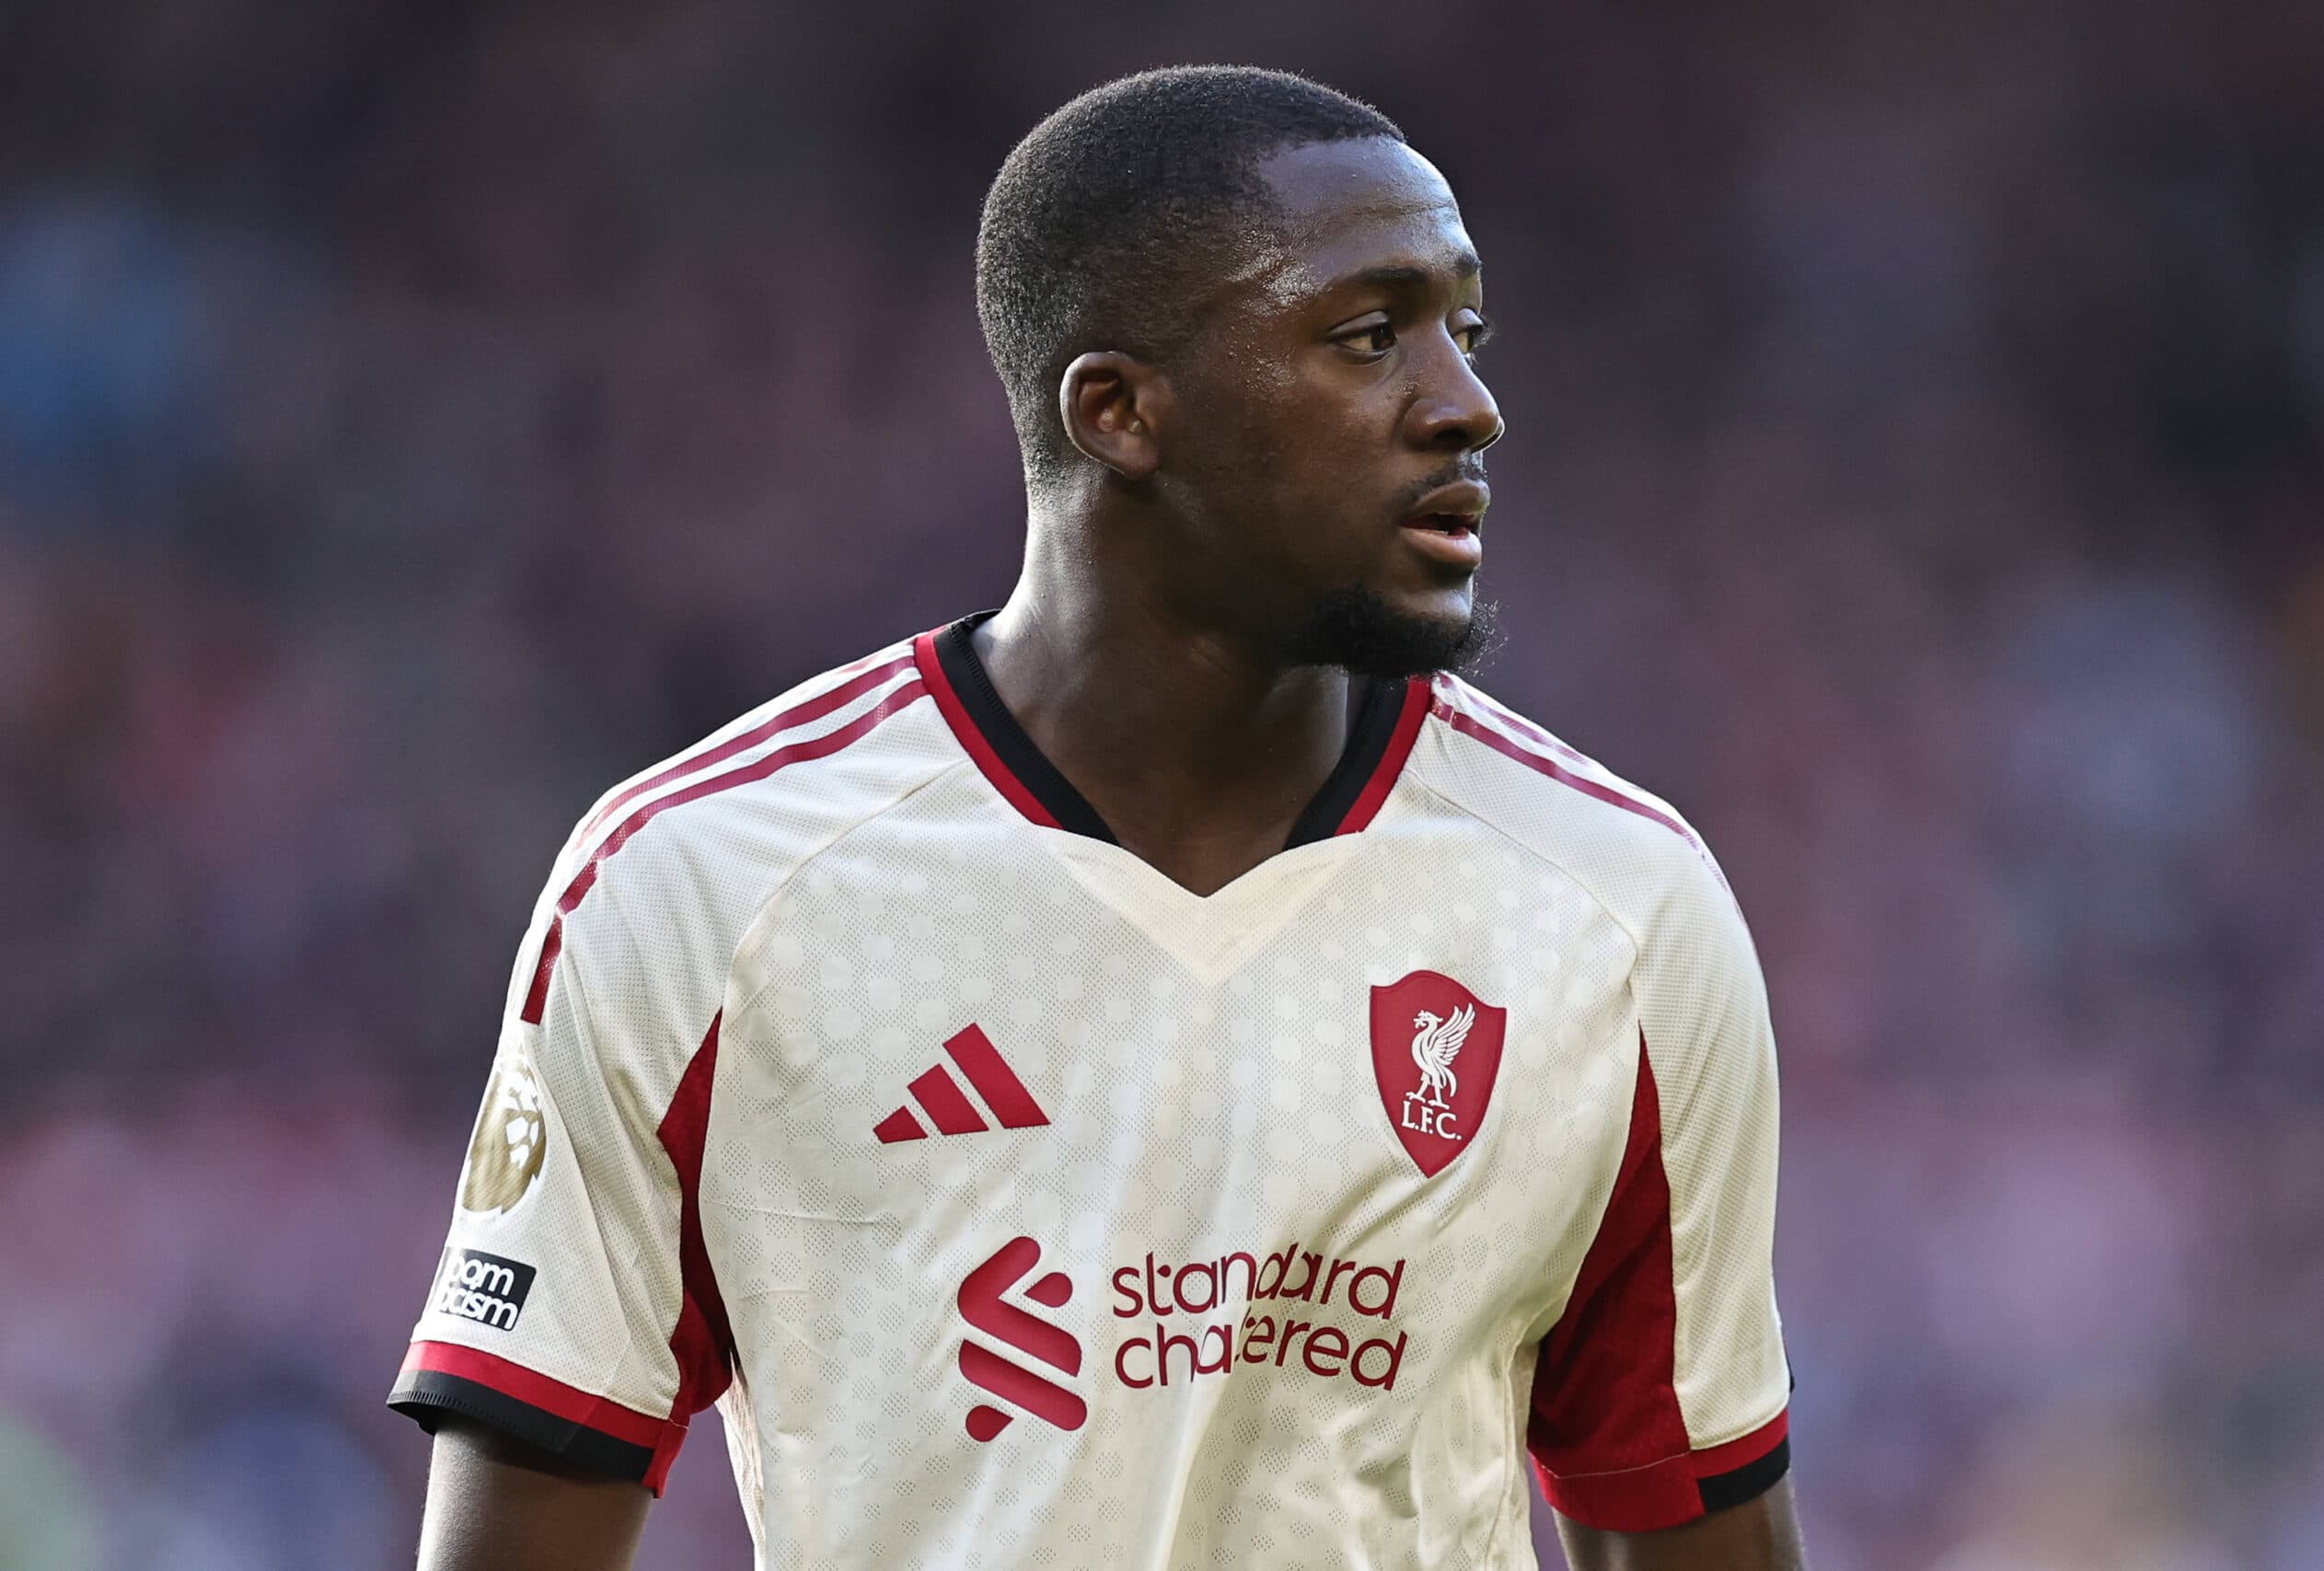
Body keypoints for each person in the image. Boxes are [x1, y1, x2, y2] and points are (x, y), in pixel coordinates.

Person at [393, 64, 1804, 1571]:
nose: (1467, 405)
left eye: (1466, 330)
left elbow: (1693, 1525)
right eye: (1370, 336)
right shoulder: (703, 892)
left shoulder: (1614, 911)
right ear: (1120, 413)